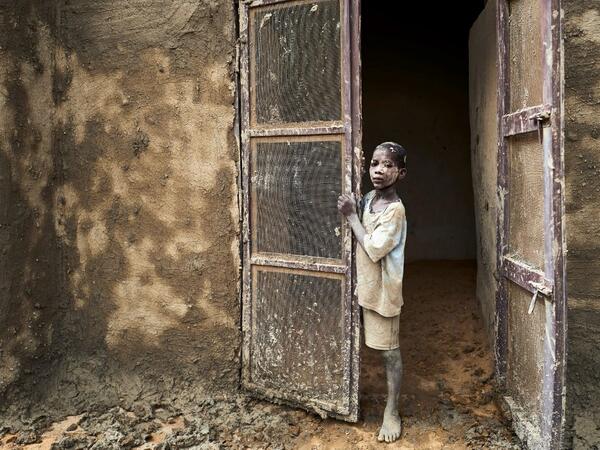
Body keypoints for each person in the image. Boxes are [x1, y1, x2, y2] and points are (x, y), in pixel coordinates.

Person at [337, 141, 407, 443]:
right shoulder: (367, 199)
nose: (380, 170)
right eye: (375, 163)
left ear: (400, 173)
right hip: (360, 287)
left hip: (382, 293)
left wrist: (352, 217)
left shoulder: (395, 211)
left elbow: (375, 249)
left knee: (389, 352)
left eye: (388, 165)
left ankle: (392, 410)